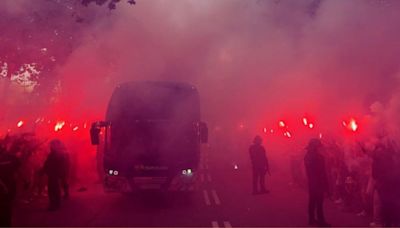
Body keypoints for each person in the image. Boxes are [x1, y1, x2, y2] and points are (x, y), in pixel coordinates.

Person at [304, 138, 330, 227]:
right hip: (318, 182)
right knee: (319, 202)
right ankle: (321, 220)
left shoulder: (307, 156)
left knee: (312, 201)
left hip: (312, 182)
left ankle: (311, 219)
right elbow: (322, 172)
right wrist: (326, 184)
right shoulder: (318, 158)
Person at [41, 139, 68, 211]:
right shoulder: (54, 154)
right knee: (53, 189)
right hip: (53, 174)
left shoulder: (57, 154)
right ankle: (55, 204)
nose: (50, 146)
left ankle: (54, 204)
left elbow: (54, 164)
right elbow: (47, 164)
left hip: (54, 174)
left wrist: (61, 173)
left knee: (53, 190)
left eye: (52, 145)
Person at [0, 138, 20, 226]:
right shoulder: (11, 157)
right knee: (6, 208)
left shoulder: (9, 157)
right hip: (8, 186)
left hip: (5, 186)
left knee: (5, 208)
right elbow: (18, 166)